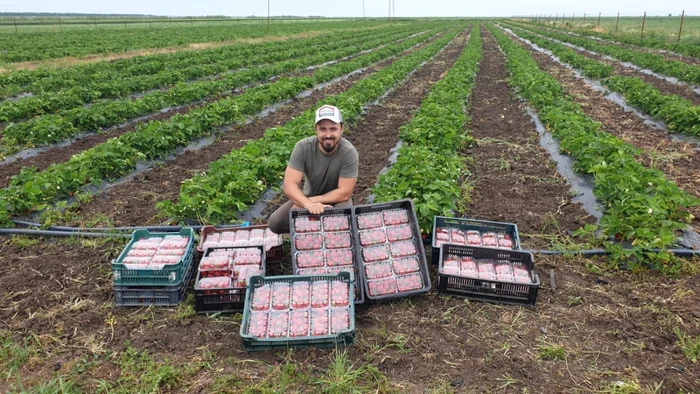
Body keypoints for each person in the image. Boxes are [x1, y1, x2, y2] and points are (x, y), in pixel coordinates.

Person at [268, 105, 358, 234]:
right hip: (308, 198)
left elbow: (344, 193)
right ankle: (308, 235)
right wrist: (306, 203)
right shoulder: (303, 147)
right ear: (316, 129)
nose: (328, 135)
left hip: (338, 201)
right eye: (322, 129)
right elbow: (289, 185)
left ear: (341, 129)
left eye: (333, 129)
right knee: (275, 223)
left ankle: (332, 241)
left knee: (342, 222)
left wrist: (310, 203)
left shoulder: (349, 152)